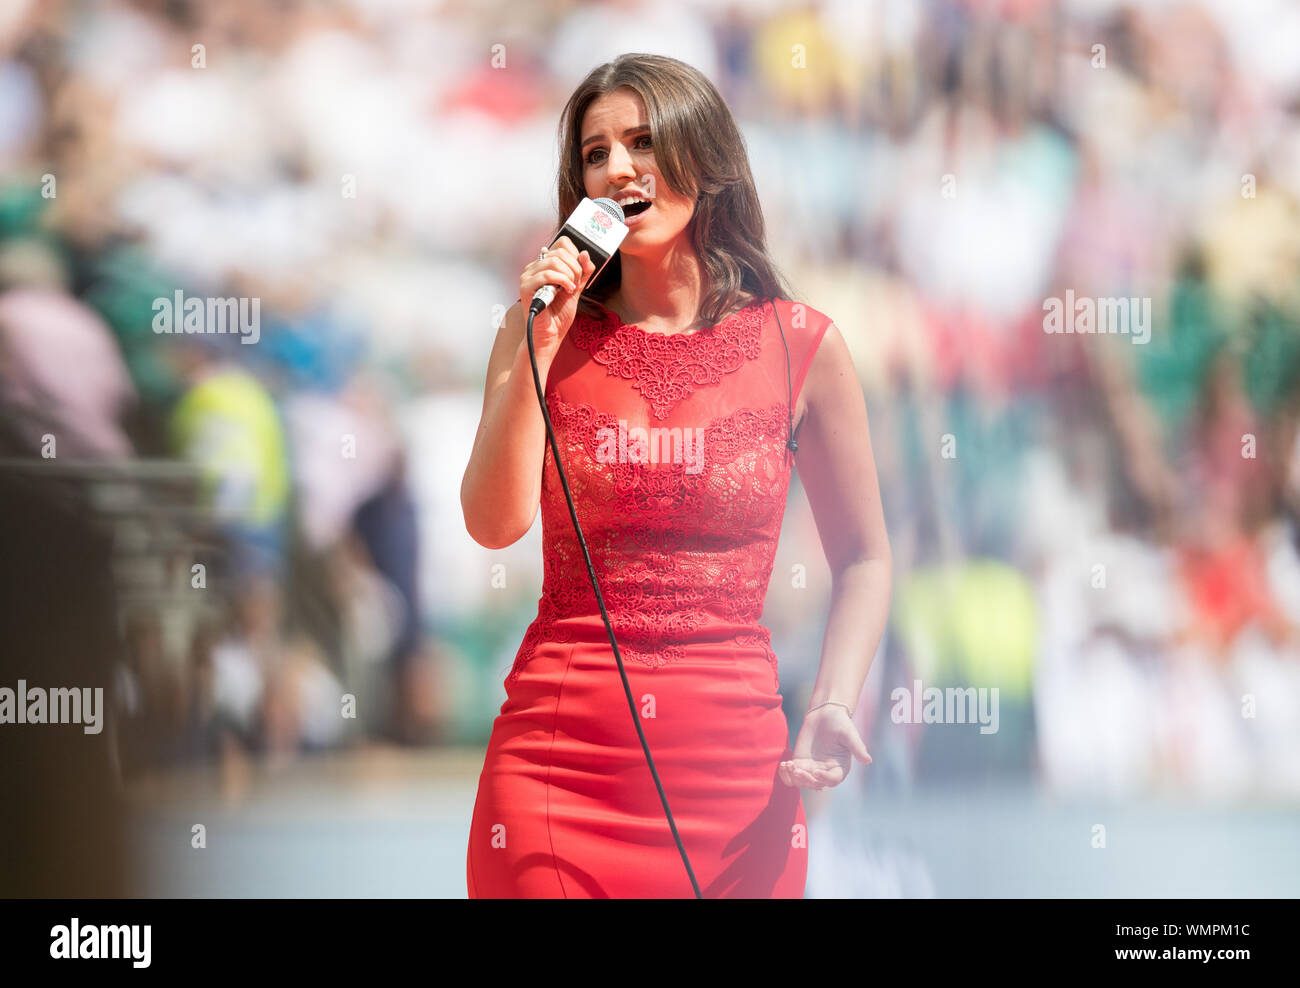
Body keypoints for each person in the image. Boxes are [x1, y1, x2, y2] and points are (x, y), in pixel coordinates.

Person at [461, 53, 891, 898]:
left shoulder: (801, 344)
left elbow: (867, 559)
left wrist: (833, 701)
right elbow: (492, 522)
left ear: (708, 158)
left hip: (733, 781)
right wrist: (538, 351)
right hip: (555, 770)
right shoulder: (536, 329)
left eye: (644, 141)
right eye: (595, 153)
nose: (618, 167)